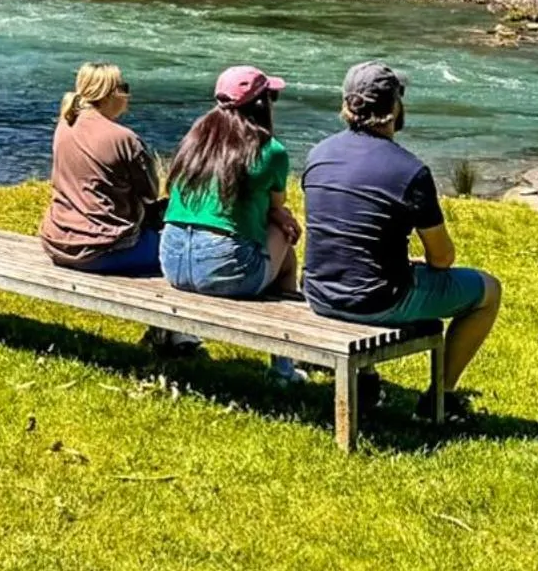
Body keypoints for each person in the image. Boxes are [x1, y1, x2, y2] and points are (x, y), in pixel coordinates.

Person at [302, 60, 502, 416]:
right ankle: (441, 397)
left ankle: (366, 378)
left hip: (319, 292)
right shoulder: (410, 170)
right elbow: (442, 259)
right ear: (394, 107)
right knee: (488, 291)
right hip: (377, 300)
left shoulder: (318, 155)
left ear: (347, 105)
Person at [160, 65, 305, 382]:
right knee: (286, 242)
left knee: (273, 234)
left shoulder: (196, 139)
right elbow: (277, 206)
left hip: (172, 262)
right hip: (223, 271)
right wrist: (278, 214)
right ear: (260, 104)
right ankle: (284, 369)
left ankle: (175, 337)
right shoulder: (270, 151)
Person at [38, 63, 165, 275]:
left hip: (57, 242)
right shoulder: (124, 138)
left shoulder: (64, 125)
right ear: (109, 94)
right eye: (124, 88)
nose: (128, 95)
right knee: (184, 250)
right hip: (106, 249)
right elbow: (151, 192)